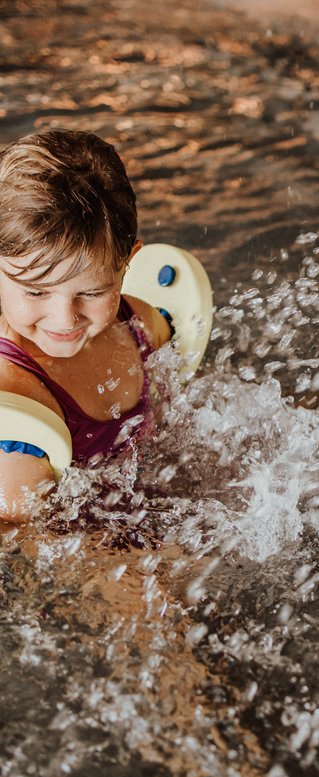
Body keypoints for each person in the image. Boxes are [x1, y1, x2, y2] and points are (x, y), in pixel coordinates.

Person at [0, 129, 172, 522]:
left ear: (127, 263)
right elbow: (37, 546)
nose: (65, 319)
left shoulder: (138, 322)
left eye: (93, 292)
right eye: (36, 292)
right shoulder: (14, 420)